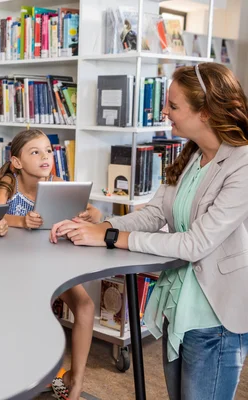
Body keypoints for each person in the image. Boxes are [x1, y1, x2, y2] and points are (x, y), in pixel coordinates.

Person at [51, 63, 248, 400]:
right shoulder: (191, 157)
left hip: (215, 317)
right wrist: (98, 227)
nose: (164, 111)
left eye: (173, 105)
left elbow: (196, 243)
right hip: (179, 306)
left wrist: (111, 237)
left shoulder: (242, 163)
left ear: (205, 112)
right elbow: (155, 214)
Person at [0, 130, 97, 400]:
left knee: (85, 306)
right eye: (35, 152)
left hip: (51, 265)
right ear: (17, 162)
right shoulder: (8, 184)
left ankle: (76, 381)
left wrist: (91, 213)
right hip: (14, 269)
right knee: (32, 316)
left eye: (48, 150)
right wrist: (21, 221)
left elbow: (93, 212)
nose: (45, 157)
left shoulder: (58, 184)